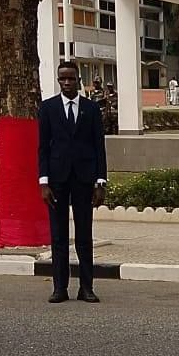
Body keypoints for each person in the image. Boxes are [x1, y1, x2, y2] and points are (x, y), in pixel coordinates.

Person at [38, 61, 107, 304]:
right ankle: (60, 288)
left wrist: (100, 181)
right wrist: (43, 183)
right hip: (56, 181)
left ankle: (86, 287)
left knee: (84, 236)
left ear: (78, 79)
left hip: (84, 179)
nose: (67, 83)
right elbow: (43, 148)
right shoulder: (47, 108)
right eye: (62, 79)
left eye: (71, 78)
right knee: (58, 237)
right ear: (58, 81)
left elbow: (99, 146)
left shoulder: (91, 108)